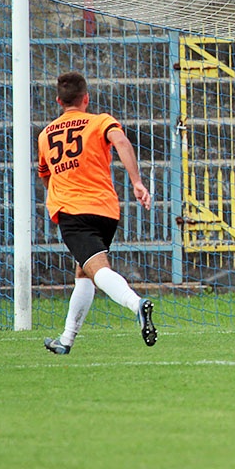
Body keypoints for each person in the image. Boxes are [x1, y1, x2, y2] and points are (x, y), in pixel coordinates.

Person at [37, 71, 156, 354]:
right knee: (84, 271)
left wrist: (61, 188)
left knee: (98, 270)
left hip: (72, 211)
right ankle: (66, 340)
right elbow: (122, 142)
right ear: (86, 98)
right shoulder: (100, 121)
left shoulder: (46, 135)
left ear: (58, 101)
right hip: (105, 210)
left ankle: (135, 304)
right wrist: (137, 182)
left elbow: (45, 174)